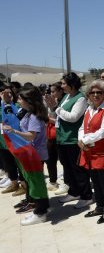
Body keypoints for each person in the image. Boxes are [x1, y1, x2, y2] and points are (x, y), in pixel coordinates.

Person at [3, 86, 50, 225]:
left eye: (19, 98)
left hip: (34, 154)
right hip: (30, 154)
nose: (18, 100)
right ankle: (40, 208)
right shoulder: (28, 113)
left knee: (36, 183)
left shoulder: (34, 116)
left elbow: (30, 136)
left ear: (27, 101)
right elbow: (14, 116)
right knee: (33, 182)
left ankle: (41, 212)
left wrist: (14, 132)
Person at [47, 72, 93, 209]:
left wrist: (56, 108)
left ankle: (86, 196)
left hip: (73, 140)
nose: (62, 86)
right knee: (68, 168)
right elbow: (59, 115)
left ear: (72, 84)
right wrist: (52, 108)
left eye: (63, 83)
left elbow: (73, 117)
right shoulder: (66, 97)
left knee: (78, 169)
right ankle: (74, 192)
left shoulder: (80, 99)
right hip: (62, 138)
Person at [78, 80, 104, 224]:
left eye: (99, 92)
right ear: (88, 95)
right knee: (95, 181)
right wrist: (81, 139)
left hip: (102, 152)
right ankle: (100, 206)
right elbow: (82, 128)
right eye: (92, 92)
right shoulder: (89, 110)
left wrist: (86, 140)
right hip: (89, 152)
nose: (95, 95)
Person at [0, 85, 21, 194]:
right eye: (4, 93)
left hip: (15, 140)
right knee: (8, 163)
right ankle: (14, 183)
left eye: (9, 93)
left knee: (18, 163)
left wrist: (7, 104)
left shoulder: (16, 105)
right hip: (3, 141)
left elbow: (15, 119)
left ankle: (23, 185)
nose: (7, 95)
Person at [44, 82, 64, 191]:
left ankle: (67, 182)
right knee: (50, 160)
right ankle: (53, 181)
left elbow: (61, 120)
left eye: (53, 91)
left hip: (59, 135)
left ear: (61, 91)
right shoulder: (50, 102)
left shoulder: (62, 103)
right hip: (50, 135)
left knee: (64, 161)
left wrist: (48, 119)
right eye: (50, 91)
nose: (51, 94)